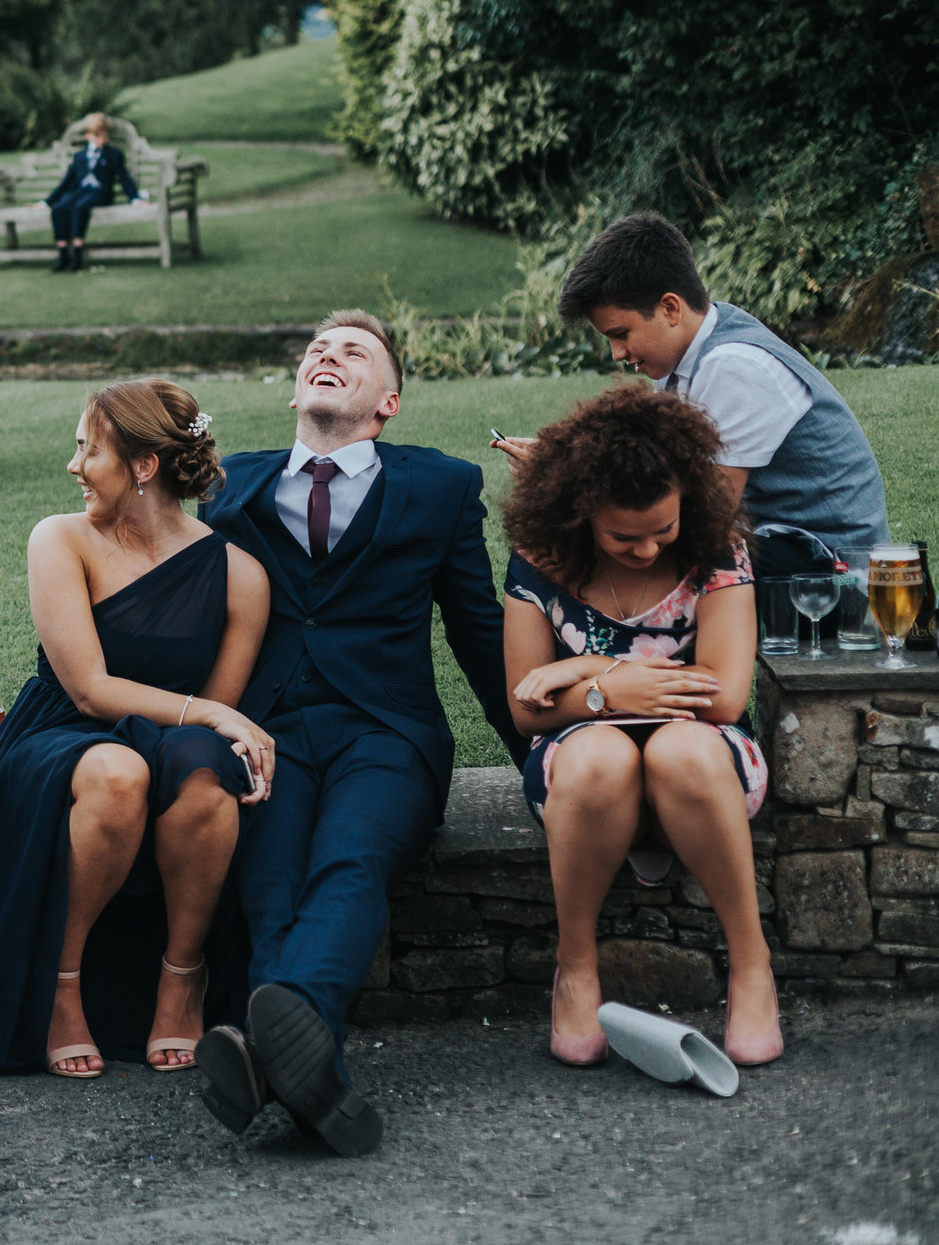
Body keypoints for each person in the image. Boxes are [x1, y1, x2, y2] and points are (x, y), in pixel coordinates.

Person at [194, 311, 520, 1156]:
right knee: (269, 880)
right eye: (316, 349)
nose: (328, 356)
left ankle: (271, 1044)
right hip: (269, 733)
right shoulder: (228, 486)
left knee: (350, 856)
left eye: (355, 352)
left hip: (388, 731)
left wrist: (539, 758)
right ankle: (309, 1073)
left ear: (388, 403)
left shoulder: (440, 486)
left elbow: (480, 634)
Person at [0, 380, 273, 1079]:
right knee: (119, 774)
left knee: (206, 773)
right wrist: (208, 713)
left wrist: (210, 721)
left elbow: (212, 721)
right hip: (58, 732)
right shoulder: (61, 539)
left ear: (144, 466)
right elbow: (89, 688)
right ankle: (61, 985)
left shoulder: (239, 574)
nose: (74, 465)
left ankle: (182, 975)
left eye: (88, 448)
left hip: (167, 738)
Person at [501, 383, 778, 1066]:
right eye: (624, 536)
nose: (648, 549)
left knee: (681, 748)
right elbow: (523, 706)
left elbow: (721, 696)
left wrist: (586, 671)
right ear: (582, 512)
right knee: (600, 757)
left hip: (705, 761)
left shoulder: (718, 547)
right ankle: (576, 966)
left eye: (663, 529)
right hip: (581, 772)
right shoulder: (542, 556)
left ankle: (751, 967)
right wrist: (609, 687)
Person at [507, 212, 886, 570]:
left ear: (670, 308)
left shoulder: (734, 366)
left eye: (620, 334)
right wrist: (560, 465)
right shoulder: (687, 353)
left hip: (834, 569)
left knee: (643, 547)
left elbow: (705, 518)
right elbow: (659, 476)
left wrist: (570, 491)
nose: (617, 353)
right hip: (781, 545)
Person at [44, 114, 143, 273]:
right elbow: (66, 182)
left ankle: (77, 251)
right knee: (60, 207)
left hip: (100, 193)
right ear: (88, 136)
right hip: (80, 192)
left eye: (104, 134)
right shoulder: (80, 157)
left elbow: (124, 178)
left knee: (80, 207)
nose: (102, 138)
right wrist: (47, 202)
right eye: (97, 135)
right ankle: (63, 253)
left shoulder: (113, 155)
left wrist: (134, 198)